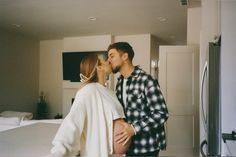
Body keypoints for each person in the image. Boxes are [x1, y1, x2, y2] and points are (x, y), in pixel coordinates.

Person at [50, 54, 131, 157]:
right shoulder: (88, 91)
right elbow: (72, 123)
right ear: (99, 67)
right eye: (105, 60)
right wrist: (58, 153)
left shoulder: (110, 92)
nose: (109, 61)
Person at [107, 42, 169, 157]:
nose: (109, 60)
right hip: (129, 146)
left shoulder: (146, 80)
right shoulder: (120, 82)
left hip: (147, 147)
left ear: (125, 56)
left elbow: (161, 113)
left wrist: (134, 129)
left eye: (112, 56)